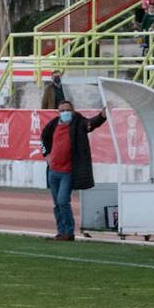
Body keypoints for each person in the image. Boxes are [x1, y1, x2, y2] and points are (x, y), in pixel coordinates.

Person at [38, 100, 107, 242]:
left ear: (73, 111)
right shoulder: (53, 124)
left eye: (67, 110)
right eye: (62, 110)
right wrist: (46, 155)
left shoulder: (78, 122)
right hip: (53, 171)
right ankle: (61, 232)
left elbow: (89, 125)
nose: (65, 113)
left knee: (63, 201)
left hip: (67, 172)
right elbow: (43, 139)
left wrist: (101, 116)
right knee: (57, 204)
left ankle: (68, 232)